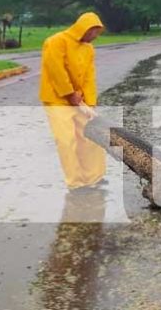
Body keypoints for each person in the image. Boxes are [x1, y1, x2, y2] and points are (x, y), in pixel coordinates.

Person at [39, 12, 107, 190]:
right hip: (57, 100)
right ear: (85, 28)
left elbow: (89, 77)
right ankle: (76, 183)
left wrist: (90, 103)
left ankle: (93, 176)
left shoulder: (88, 48)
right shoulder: (56, 41)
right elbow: (56, 71)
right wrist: (69, 94)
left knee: (90, 137)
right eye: (94, 33)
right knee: (66, 140)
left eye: (97, 34)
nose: (95, 37)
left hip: (80, 101)